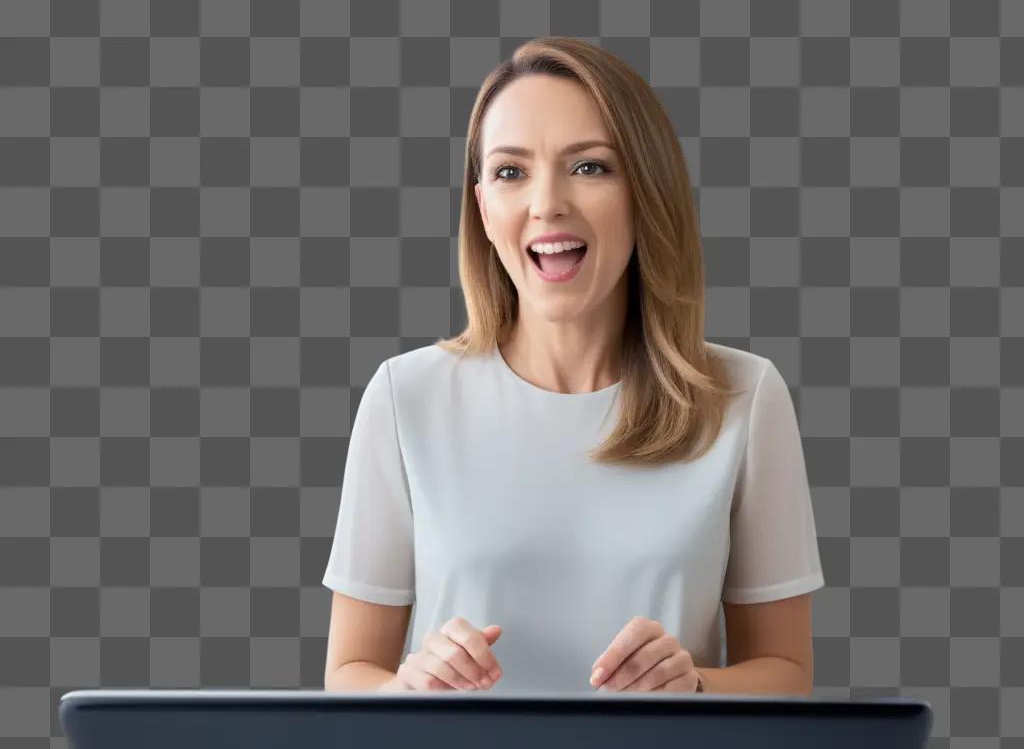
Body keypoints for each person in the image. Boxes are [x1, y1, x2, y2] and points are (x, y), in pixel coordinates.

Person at [323, 37, 824, 697]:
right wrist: (406, 690)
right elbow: (348, 672)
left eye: (589, 167)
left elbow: (787, 674)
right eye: (510, 172)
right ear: (482, 206)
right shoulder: (404, 396)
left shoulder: (743, 397)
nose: (547, 204)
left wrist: (695, 686)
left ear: (647, 191)